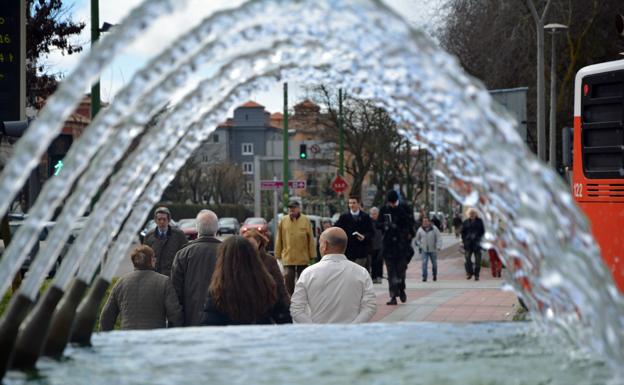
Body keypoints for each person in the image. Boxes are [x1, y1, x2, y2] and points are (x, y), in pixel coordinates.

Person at [290, 227, 377, 323]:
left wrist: (315, 329)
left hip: (319, 335)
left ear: (325, 245)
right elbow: (370, 306)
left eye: (320, 243)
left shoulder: (308, 273)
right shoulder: (361, 272)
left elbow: (296, 309)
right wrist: (352, 328)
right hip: (351, 335)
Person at [200, 236, 284, 325]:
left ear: (223, 259)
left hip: (229, 337)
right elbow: (282, 315)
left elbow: (210, 324)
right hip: (261, 335)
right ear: (253, 256)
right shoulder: (266, 284)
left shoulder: (218, 289)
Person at [100, 245, 183, 330]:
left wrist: (106, 336)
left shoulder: (121, 282)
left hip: (127, 337)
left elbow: (106, 316)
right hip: (154, 337)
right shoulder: (164, 281)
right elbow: (175, 314)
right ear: (152, 260)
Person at [170, 210, 221, 326]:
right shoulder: (228, 252)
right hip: (221, 322)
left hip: (191, 320)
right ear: (216, 228)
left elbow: (175, 293)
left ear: (197, 228)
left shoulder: (183, 254)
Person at [243, 228, 292, 323]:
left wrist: (286, 305)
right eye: (247, 245)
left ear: (259, 243)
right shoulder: (240, 260)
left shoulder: (270, 261)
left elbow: (280, 286)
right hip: (245, 310)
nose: (250, 248)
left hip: (265, 309)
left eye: (252, 245)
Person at [378, 190, 415, 305]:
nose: (392, 205)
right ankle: (393, 296)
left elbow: (411, 224)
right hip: (388, 246)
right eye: (390, 203)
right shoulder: (384, 209)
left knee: (401, 272)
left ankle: (402, 288)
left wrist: (405, 233)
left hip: (402, 246)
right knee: (391, 273)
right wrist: (385, 225)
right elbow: (377, 224)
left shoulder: (405, 208)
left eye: (393, 203)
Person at [274, 199, 316, 296]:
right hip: (288, 256)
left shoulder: (305, 220)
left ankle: (302, 296)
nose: (291, 210)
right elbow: (279, 238)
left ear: (299, 209)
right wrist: (277, 254)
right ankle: (290, 297)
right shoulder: (283, 221)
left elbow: (311, 239)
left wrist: (312, 255)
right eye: (290, 208)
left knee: (303, 279)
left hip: (302, 256)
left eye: (293, 208)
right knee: (288, 277)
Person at [143, 206, 187, 277]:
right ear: (155, 220)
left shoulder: (179, 235)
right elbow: (145, 257)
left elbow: (185, 255)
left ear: (169, 220)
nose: (162, 222)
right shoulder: (149, 236)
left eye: (164, 219)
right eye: (159, 219)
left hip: (173, 276)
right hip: (154, 276)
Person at [334, 196, 374, 268]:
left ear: (358, 204)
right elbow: (337, 229)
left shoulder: (365, 217)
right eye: (350, 203)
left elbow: (371, 232)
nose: (351, 205)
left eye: (354, 203)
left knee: (359, 271)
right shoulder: (344, 217)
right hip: (348, 250)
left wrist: (364, 237)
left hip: (361, 250)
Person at [461, 208, 485, 281]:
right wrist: (464, 240)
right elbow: (462, 232)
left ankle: (476, 275)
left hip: (477, 244)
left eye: (473, 213)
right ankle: (469, 273)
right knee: (467, 259)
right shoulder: (465, 222)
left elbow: (483, 232)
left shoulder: (480, 221)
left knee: (478, 261)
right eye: (470, 213)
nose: (472, 214)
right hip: (468, 244)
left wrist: (480, 239)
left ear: (476, 214)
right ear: (468, 214)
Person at [415, 217, 442, 282]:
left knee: (434, 264)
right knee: (424, 263)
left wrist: (438, 246)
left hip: (433, 249)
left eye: (426, 221)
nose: (425, 222)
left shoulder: (434, 228)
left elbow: (439, 238)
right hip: (424, 249)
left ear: (429, 222)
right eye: (424, 221)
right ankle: (424, 277)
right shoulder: (420, 229)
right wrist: (419, 245)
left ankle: (434, 275)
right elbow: (417, 239)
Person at [369, 207, 384, 284]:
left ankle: (379, 276)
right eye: (372, 214)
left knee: (380, 261)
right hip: (372, 245)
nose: (373, 215)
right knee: (373, 262)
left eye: (375, 214)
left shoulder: (381, 222)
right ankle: (373, 276)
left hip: (380, 244)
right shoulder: (369, 222)